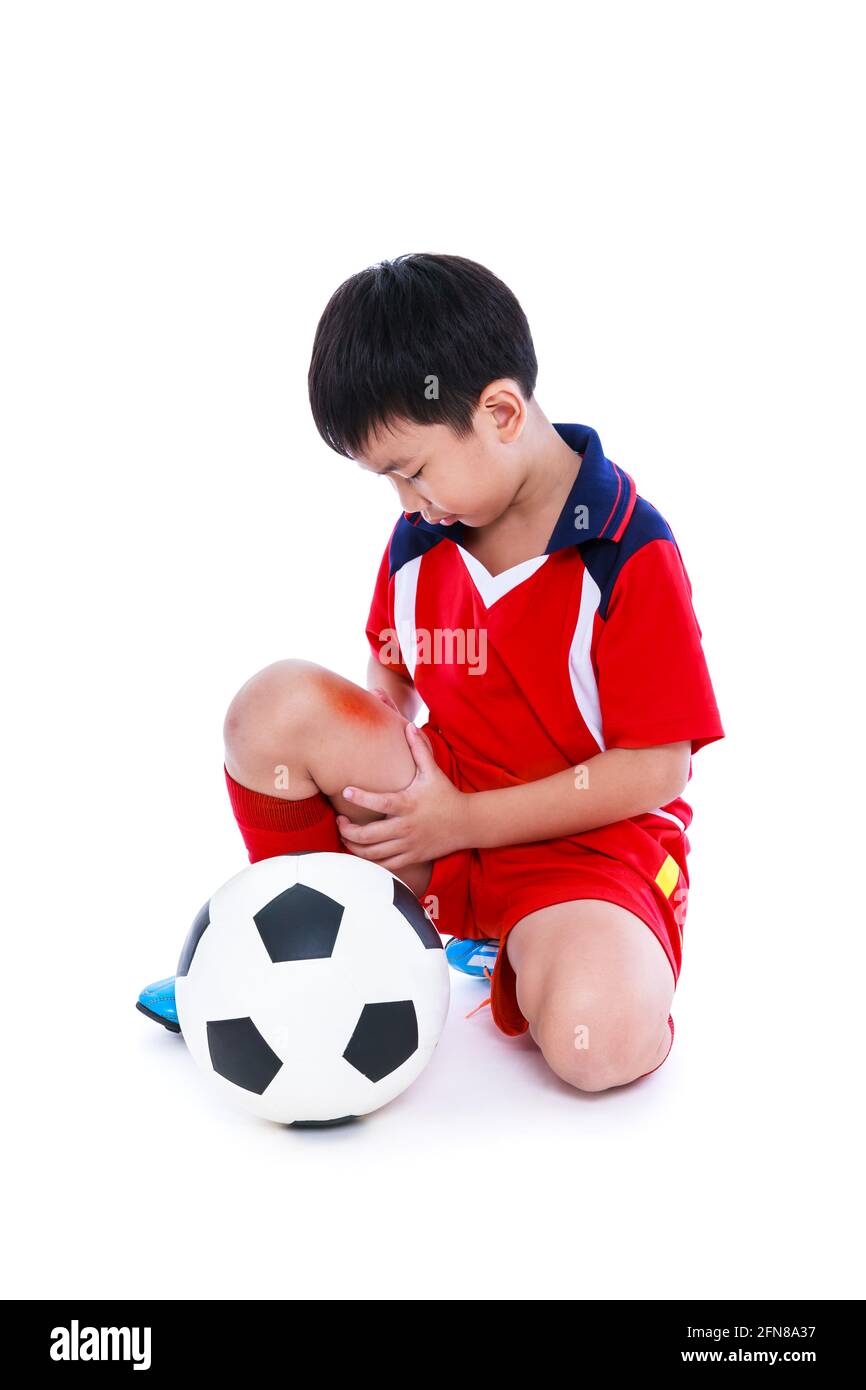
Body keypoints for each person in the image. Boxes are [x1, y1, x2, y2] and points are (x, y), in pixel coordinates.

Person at [137, 253, 724, 1093]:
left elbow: (658, 767)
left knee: (602, 1048)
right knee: (272, 708)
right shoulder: (426, 533)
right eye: (387, 481)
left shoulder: (629, 552)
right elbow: (389, 674)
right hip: (439, 809)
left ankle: (539, 951)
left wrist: (466, 821)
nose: (406, 503)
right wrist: (394, 792)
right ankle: (275, 949)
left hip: (586, 847)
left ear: (500, 411)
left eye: (411, 470)